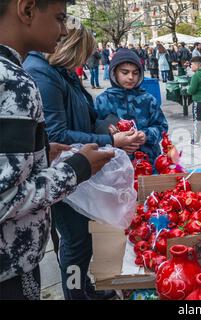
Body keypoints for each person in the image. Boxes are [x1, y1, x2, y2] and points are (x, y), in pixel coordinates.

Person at [0, 0, 114, 300]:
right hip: (10, 268)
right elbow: (6, 198)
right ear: (26, 10)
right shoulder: (16, 81)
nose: (64, 29)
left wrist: (41, 154)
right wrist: (77, 167)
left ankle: (82, 290)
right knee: (75, 244)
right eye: (60, 18)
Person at [23, 22, 143, 300]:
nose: (87, 60)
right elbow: (57, 133)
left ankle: (85, 287)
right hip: (64, 171)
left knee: (83, 239)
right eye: (85, 53)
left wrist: (107, 127)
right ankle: (76, 293)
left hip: (79, 170)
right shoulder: (43, 74)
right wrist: (112, 142)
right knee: (74, 242)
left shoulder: (62, 73)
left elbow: (86, 114)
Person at [96, 48, 168, 166]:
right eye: (125, 72)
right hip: (115, 166)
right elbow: (95, 133)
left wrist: (146, 135)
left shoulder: (148, 99)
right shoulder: (103, 100)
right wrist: (115, 140)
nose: (131, 77)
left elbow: (162, 126)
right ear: (114, 73)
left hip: (148, 163)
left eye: (135, 73)